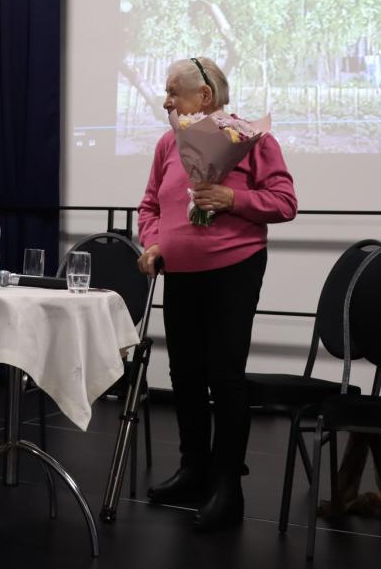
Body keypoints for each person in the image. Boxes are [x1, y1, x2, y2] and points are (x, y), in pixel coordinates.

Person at [136, 57, 297, 531]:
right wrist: (152, 242)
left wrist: (232, 199)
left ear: (204, 97)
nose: (166, 101)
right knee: (184, 373)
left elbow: (285, 202)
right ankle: (194, 470)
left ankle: (228, 486)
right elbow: (149, 205)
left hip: (234, 269)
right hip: (179, 273)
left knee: (224, 377)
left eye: (173, 91)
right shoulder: (168, 143)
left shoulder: (251, 138)